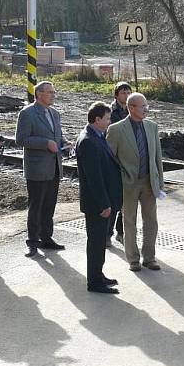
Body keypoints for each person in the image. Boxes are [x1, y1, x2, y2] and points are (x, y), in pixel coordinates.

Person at [106, 92, 165, 272]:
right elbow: (109, 159)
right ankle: (133, 259)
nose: (146, 109)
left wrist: (159, 182)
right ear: (131, 108)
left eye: (146, 105)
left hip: (148, 182)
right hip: (128, 184)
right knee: (129, 221)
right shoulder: (116, 129)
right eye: (142, 106)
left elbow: (157, 157)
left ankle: (150, 257)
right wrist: (115, 183)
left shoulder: (152, 127)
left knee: (151, 221)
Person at [14, 81, 69, 258]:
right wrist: (45, 144)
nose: (53, 95)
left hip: (53, 167)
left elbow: (57, 135)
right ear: (39, 94)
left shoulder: (55, 113)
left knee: (49, 205)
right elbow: (21, 139)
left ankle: (46, 238)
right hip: (37, 169)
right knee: (36, 205)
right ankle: (32, 242)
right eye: (50, 92)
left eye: (54, 92)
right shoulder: (28, 113)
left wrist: (64, 142)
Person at [75, 102, 123, 294]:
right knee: (95, 243)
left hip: (103, 201)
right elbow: (94, 178)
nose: (109, 122)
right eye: (107, 118)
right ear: (97, 120)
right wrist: (104, 204)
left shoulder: (97, 135)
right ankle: (94, 282)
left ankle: (98, 274)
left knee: (99, 241)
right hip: (97, 204)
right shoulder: (88, 140)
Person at [107, 82, 132, 244]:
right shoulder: (110, 111)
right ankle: (107, 233)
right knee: (113, 202)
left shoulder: (132, 109)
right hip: (114, 160)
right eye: (123, 92)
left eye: (129, 92)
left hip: (128, 160)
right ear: (117, 95)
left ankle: (121, 232)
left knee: (127, 201)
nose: (126, 95)